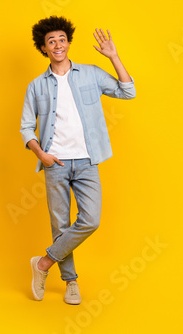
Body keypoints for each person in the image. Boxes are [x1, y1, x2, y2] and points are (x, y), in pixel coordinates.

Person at [20, 16, 136, 305]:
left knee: (91, 219)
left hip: (86, 161)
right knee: (60, 225)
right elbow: (25, 127)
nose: (57, 44)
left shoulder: (91, 74)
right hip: (54, 162)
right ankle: (71, 282)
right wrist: (41, 154)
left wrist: (114, 57)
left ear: (68, 42)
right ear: (43, 48)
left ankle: (43, 263)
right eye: (51, 41)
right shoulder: (36, 86)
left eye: (61, 39)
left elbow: (128, 91)